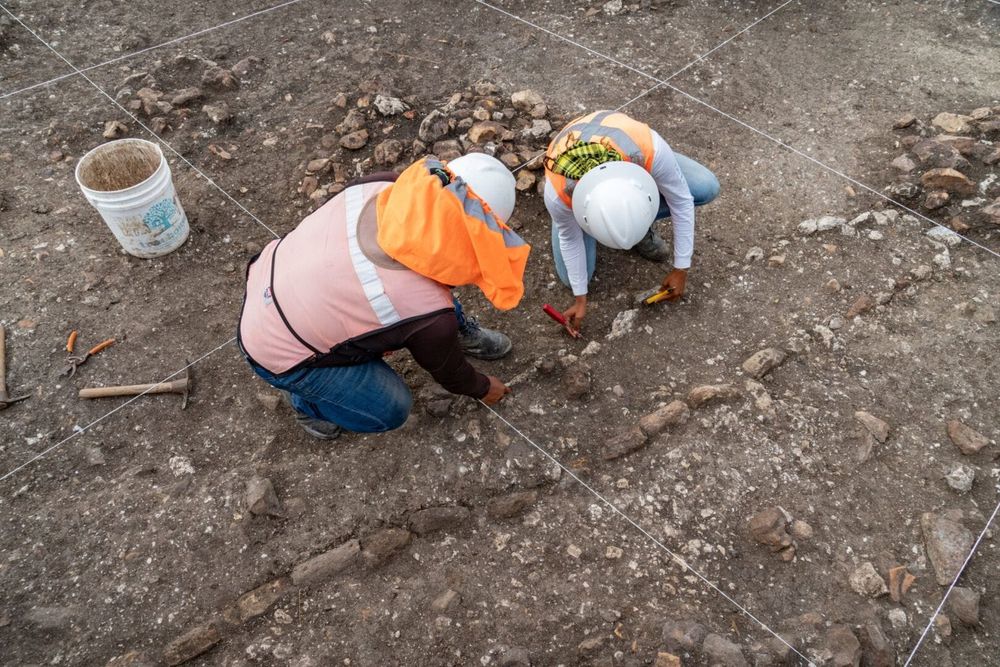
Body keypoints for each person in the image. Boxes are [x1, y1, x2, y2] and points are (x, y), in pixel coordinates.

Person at [238, 153, 530, 440]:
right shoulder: (426, 315)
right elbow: (450, 374)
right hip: (274, 350)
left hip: (273, 274)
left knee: (427, 291)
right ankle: (308, 404)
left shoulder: (382, 185)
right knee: (391, 409)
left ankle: (458, 332)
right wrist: (481, 387)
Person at [543, 110, 721, 330]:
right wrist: (580, 299)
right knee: (572, 280)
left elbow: (682, 201)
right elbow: (569, 239)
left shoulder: (649, 150)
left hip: (628, 144)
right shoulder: (558, 194)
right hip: (573, 191)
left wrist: (681, 267)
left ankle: (632, 225)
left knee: (705, 188)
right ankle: (589, 224)